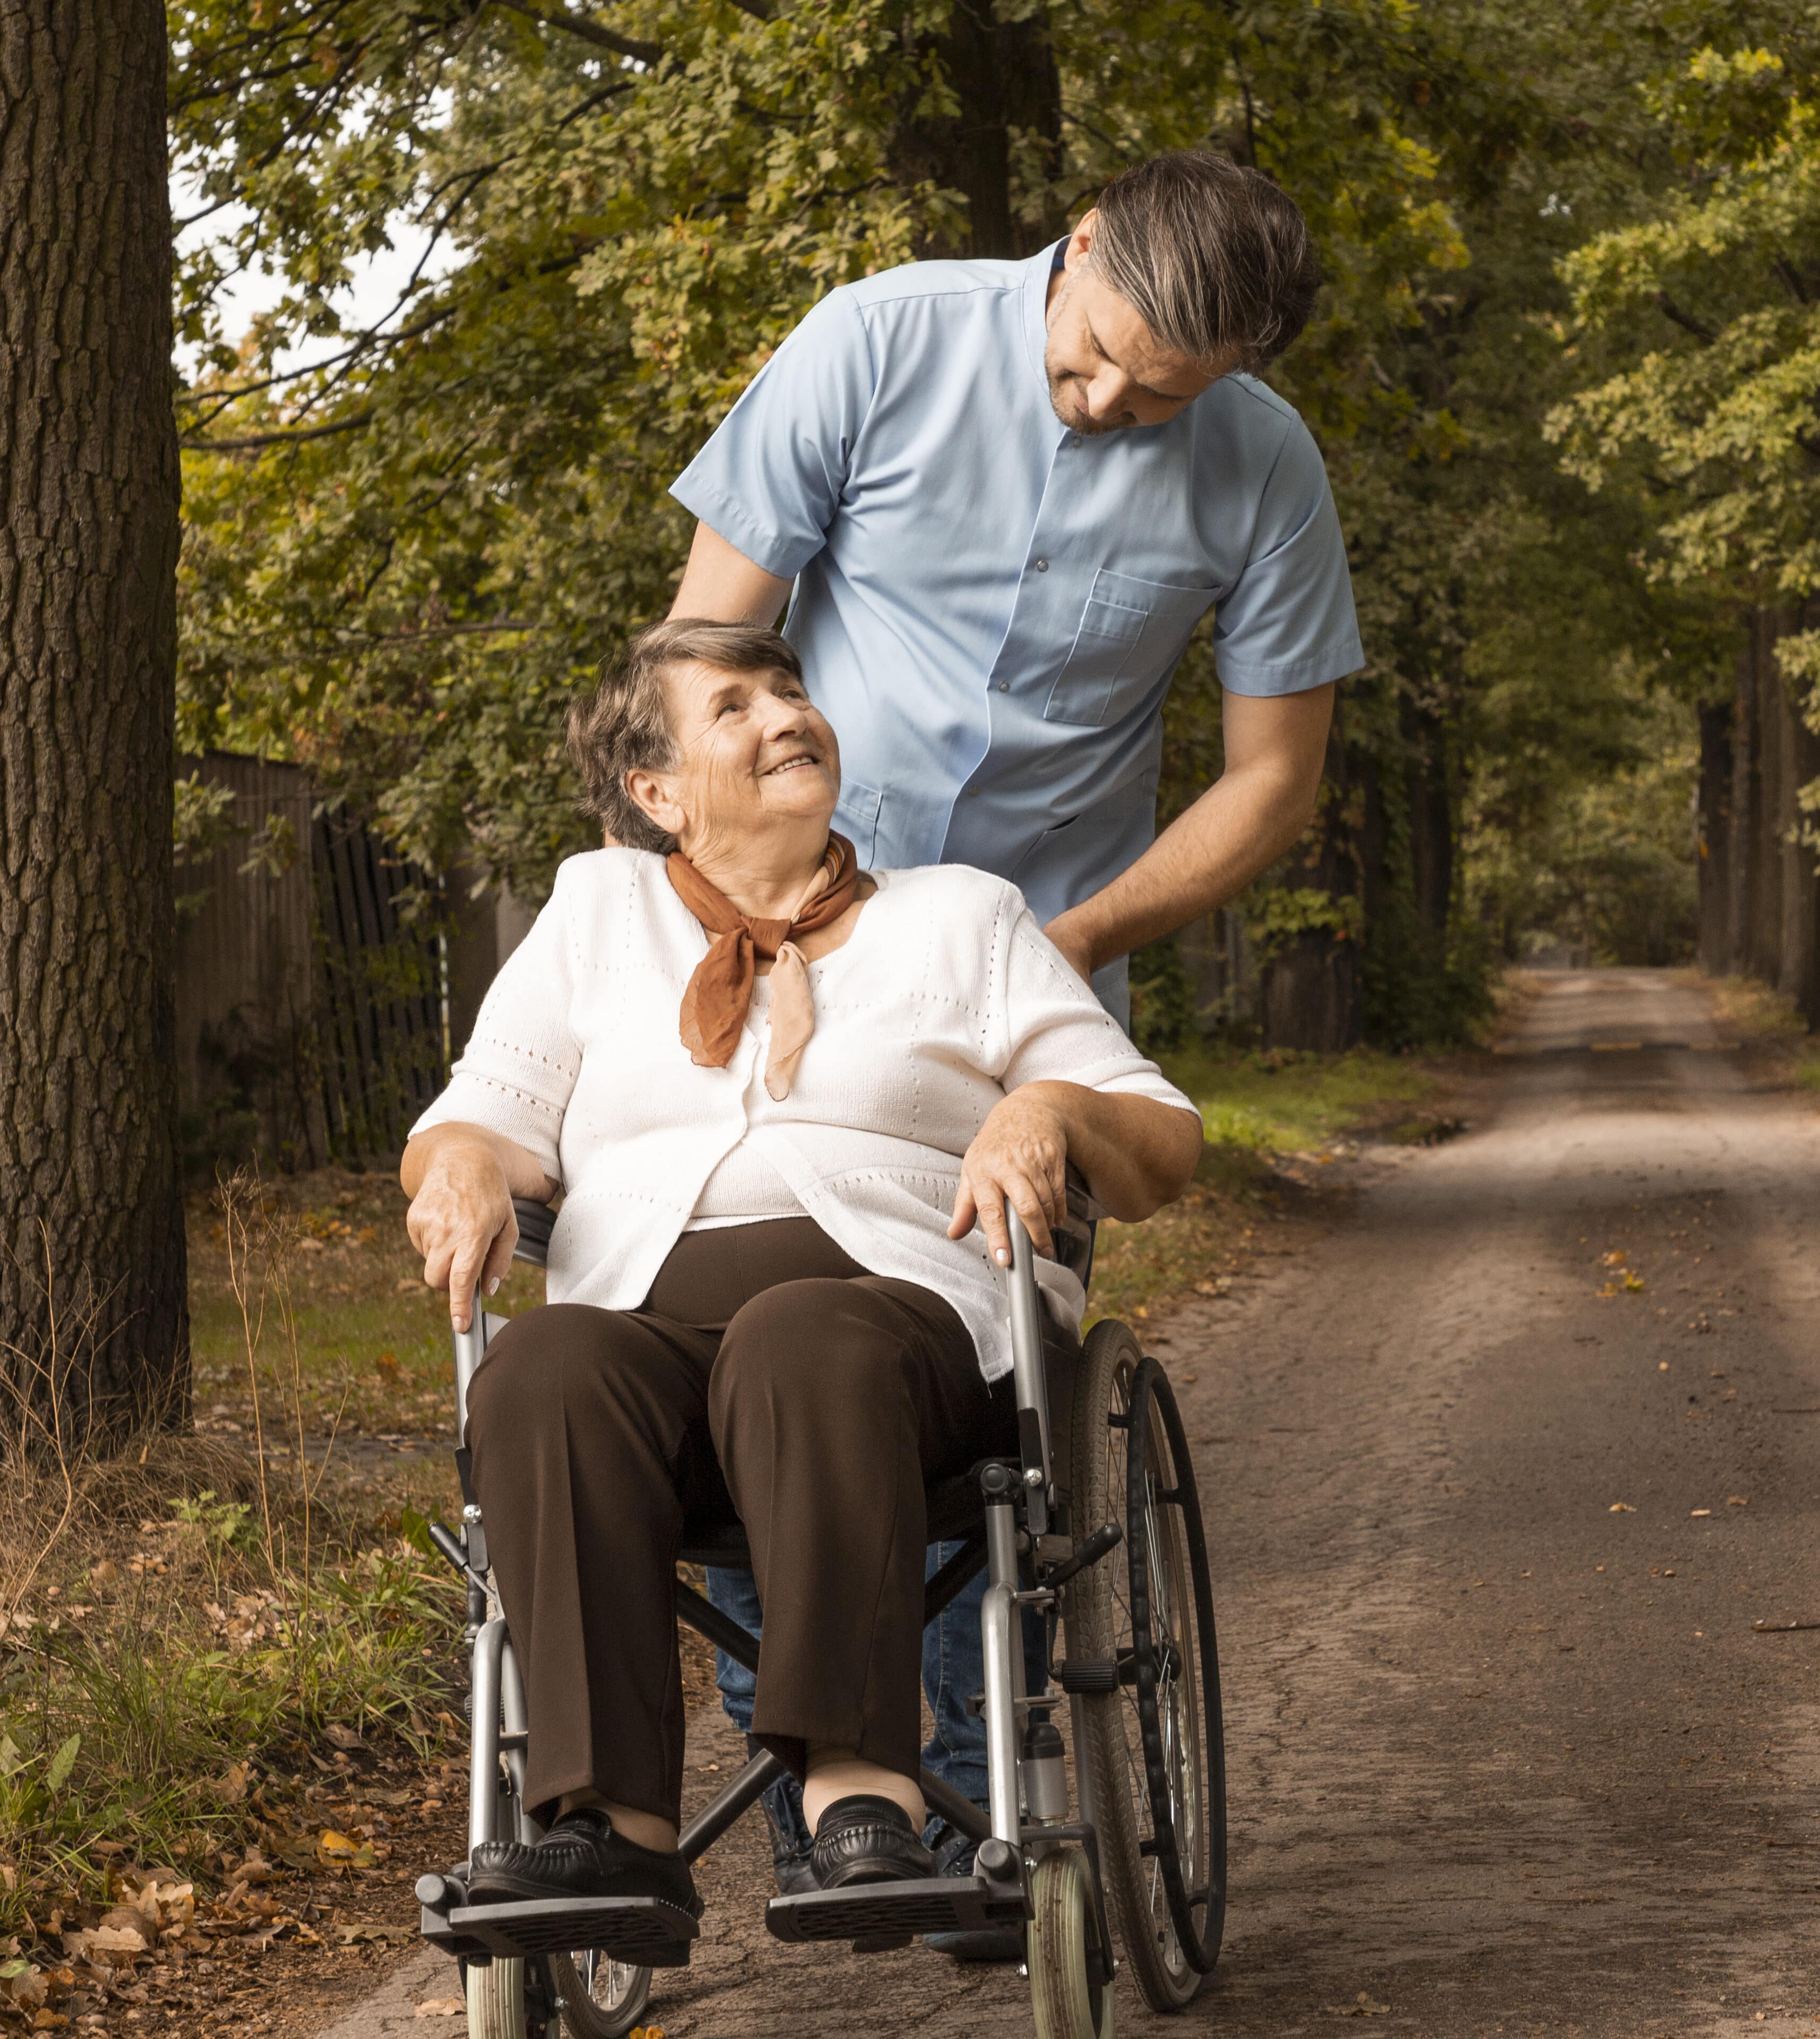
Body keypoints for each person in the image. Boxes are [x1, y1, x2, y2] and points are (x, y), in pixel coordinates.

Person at [666, 148, 1365, 1914]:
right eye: (1094, 355)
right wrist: (694, 917)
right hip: (788, 934)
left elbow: (1270, 779)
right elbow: (705, 649)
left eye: (1161, 392)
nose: (1110, 401)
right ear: (1067, 252)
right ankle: (823, 1770)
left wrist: (1049, 948)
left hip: (1039, 956)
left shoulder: (1260, 465)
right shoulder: (871, 345)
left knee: (992, 1392)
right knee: (751, 1324)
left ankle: (992, 1814)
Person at [401, 619, 1204, 1915]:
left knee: (800, 1335)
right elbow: (484, 1108)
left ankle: (858, 1791)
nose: (786, 715)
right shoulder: (595, 913)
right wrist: (463, 1166)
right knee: (541, 1362)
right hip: (646, 1357)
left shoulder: (961, 916)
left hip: (901, 1340)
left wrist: (1040, 1113)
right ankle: (613, 1825)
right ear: (655, 793)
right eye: (735, 706)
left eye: (790, 691)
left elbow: (1159, 1138)